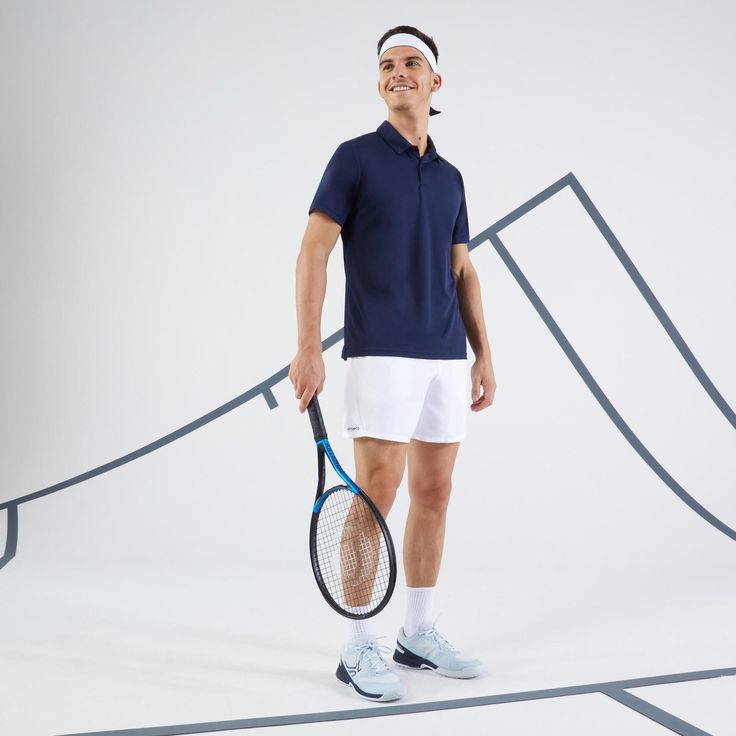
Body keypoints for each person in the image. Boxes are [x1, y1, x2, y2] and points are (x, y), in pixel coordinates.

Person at [289, 25, 496, 702]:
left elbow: (462, 272)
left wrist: (483, 353)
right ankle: (357, 648)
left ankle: (417, 634)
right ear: (379, 83)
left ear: (436, 83)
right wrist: (307, 346)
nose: (397, 71)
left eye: (412, 63)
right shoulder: (353, 159)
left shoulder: (451, 176)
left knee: (435, 493)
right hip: (379, 351)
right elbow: (313, 250)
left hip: (444, 356)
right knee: (376, 495)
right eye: (387, 65)